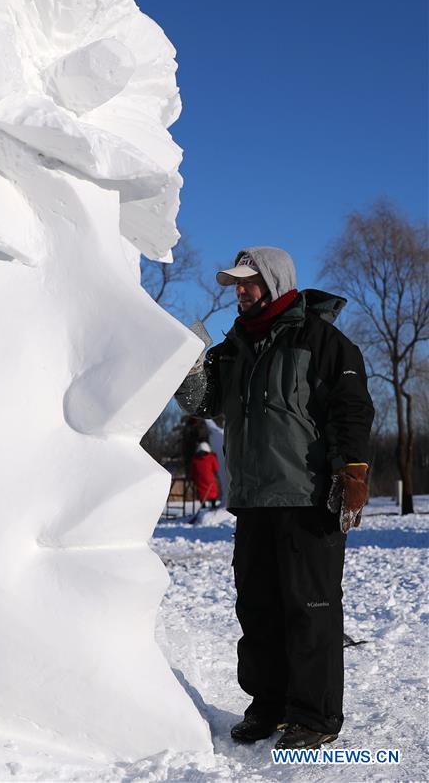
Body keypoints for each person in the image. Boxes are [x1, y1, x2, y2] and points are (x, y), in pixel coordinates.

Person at [175, 246, 374, 750]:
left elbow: (350, 410)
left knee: (311, 609)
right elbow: (203, 403)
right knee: (258, 610)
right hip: (253, 500)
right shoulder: (234, 346)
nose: (240, 291)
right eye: (236, 283)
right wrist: (190, 366)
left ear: (276, 281)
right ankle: (268, 706)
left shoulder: (323, 341)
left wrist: (350, 470)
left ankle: (314, 717)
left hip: (308, 499)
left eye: (249, 282)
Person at [190, 441, 220, 509]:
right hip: (210, 480)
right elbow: (216, 468)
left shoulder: (195, 459)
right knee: (213, 492)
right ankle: (213, 505)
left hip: (199, 481)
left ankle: (203, 506)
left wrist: (193, 478)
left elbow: (192, 471)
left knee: (201, 493)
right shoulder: (211, 457)